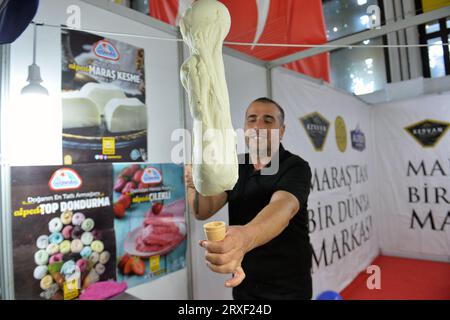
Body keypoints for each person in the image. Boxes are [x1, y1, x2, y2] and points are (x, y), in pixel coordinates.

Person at [185, 97, 313, 300]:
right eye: (251, 120)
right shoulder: (236, 165)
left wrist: (243, 238)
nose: (258, 126)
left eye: (268, 120)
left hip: (287, 285)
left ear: (281, 131)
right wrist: (195, 184)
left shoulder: (295, 166)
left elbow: (283, 208)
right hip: (244, 281)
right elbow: (203, 210)